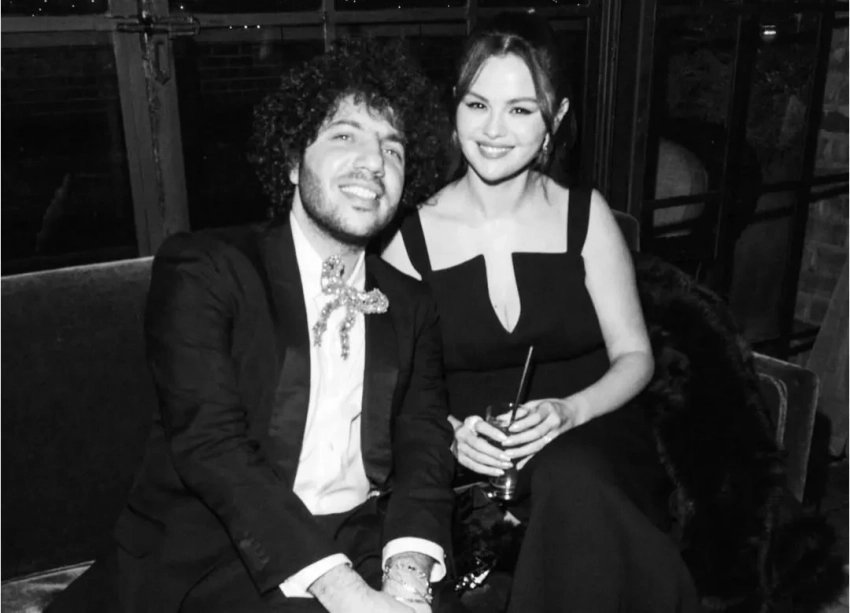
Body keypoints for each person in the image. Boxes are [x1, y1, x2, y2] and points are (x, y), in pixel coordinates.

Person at [48, 37, 456, 613]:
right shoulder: (205, 269)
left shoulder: (411, 303)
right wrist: (347, 596)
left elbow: (424, 447)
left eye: (393, 148)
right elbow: (212, 447)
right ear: (292, 162)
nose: (374, 162)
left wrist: (407, 583)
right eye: (345, 136)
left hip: (364, 538)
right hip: (221, 550)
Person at [382, 12, 701, 613]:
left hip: (595, 435)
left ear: (555, 118)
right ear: (455, 108)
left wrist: (568, 410)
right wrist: (452, 435)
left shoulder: (586, 215)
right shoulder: (409, 240)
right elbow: (390, 388)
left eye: (521, 109)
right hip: (477, 463)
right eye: (478, 104)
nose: (493, 129)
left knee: (570, 473)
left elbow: (636, 356)